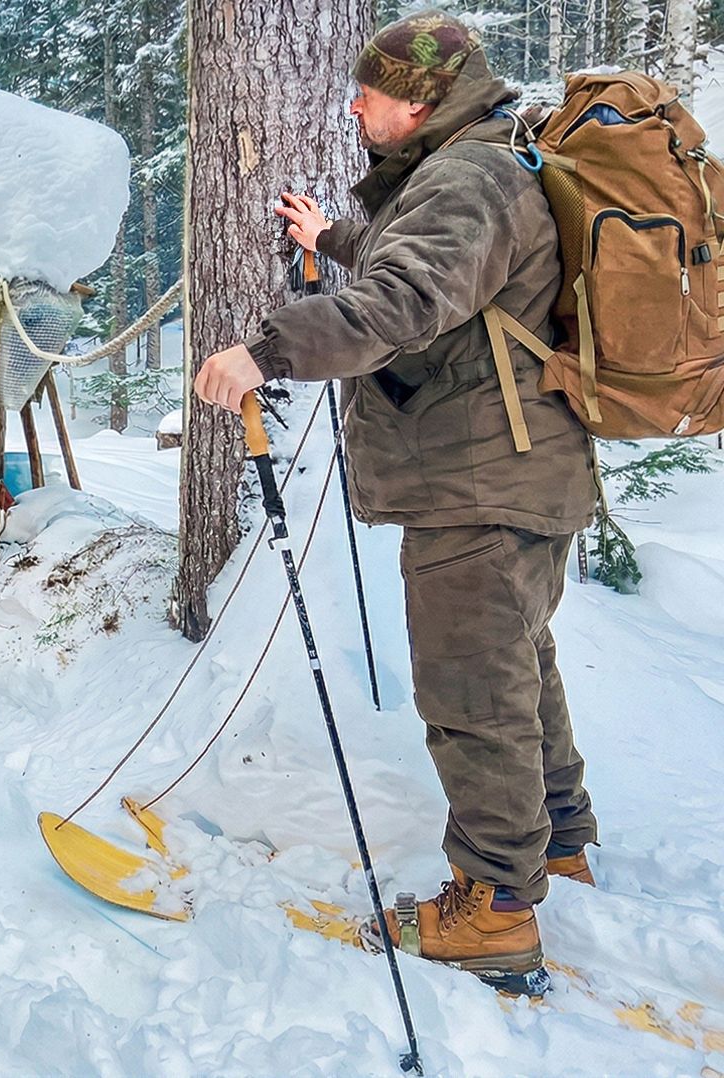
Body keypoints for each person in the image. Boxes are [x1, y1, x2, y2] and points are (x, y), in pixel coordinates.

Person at [191, 10, 599, 993]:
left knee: (473, 686)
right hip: (514, 468)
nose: (354, 106)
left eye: (368, 92)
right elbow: (434, 271)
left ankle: (494, 907)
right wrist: (328, 235)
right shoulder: (487, 164)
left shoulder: (468, 175)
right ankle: (563, 843)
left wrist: (267, 349)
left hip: (478, 477)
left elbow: (405, 300)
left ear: (418, 98)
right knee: (517, 660)